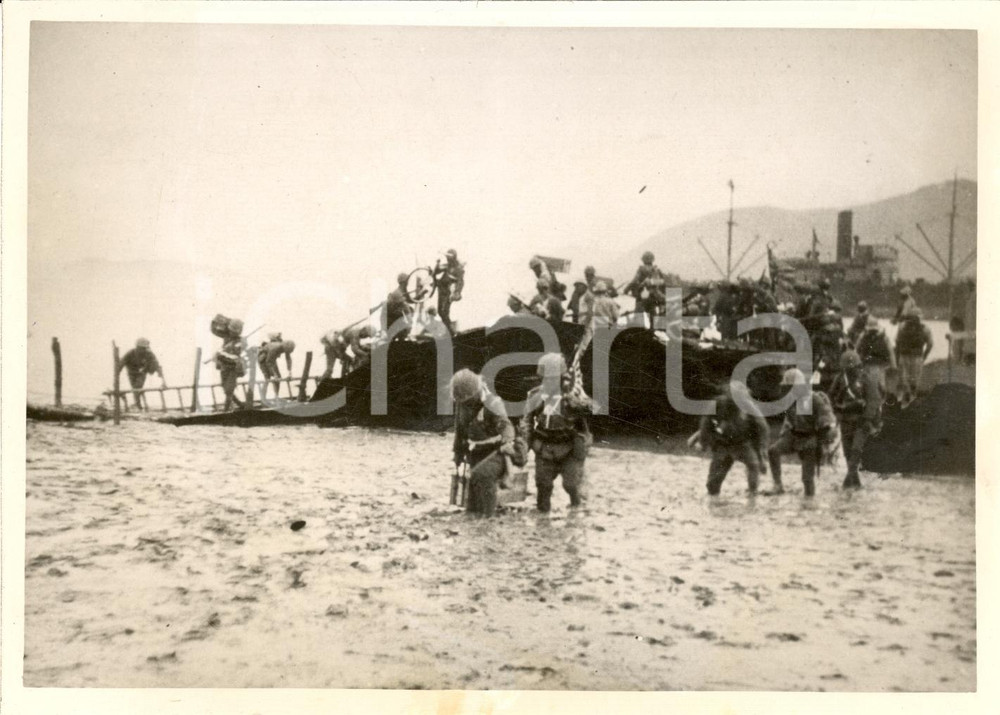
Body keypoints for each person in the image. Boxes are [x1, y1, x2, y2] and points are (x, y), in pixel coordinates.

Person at [519, 353, 594, 512]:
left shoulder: (572, 394)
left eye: (552, 378)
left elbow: (593, 409)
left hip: (569, 448)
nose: (548, 382)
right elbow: (527, 421)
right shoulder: (535, 396)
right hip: (544, 447)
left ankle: (576, 505)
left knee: (571, 484)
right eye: (545, 378)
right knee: (543, 484)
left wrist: (578, 403)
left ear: (561, 377)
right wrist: (524, 445)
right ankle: (543, 515)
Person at [451, 369, 524, 517]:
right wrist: (458, 452)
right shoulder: (462, 404)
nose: (465, 404)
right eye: (462, 402)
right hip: (476, 452)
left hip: (497, 453)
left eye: (468, 400)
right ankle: (475, 516)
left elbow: (506, 426)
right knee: (472, 503)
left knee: (482, 474)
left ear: (476, 393)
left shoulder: (492, 403)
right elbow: (460, 429)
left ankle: (489, 518)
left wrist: (507, 441)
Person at [767, 368, 837, 497]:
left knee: (807, 478)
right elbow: (788, 421)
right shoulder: (789, 400)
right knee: (773, 451)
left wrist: (823, 443)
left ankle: (809, 500)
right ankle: (778, 485)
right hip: (793, 435)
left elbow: (827, 421)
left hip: (810, 439)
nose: (786, 390)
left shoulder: (815, 399)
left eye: (789, 387)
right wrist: (784, 434)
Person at [699, 382, 769, 496]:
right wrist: (704, 442)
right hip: (723, 444)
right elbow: (705, 424)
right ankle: (713, 493)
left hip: (743, 444)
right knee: (713, 484)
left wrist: (762, 449)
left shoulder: (749, 406)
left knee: (753, 465)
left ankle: (753, 492)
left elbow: (763, 427)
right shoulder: (717, 404)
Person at [829, 350, 883, 489]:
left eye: (852, 367)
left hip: (861, 421)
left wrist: (867, 418)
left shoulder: (866, 379)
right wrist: (837, 410)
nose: (850, 370)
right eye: (847, 368)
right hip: (846, 420)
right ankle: (855, 483)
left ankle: (847, 482)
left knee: (856, 450)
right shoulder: (840, 378)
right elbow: (831, 397)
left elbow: (873, 400)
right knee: (848, 452)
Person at [894, 308, 933, 406]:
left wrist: (897, 356)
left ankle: (906, 397)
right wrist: (924, 355)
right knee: (915, 379)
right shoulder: (925, 328)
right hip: (917, 356)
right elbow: (930, 344)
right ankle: (913, 396)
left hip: (904, 355)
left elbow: (897, 341)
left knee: (905, 377)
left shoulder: (902, 326)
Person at [574, 281, 621, 361]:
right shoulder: (610, 302)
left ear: (596, 291)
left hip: (593, 325)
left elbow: (588, 314)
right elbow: (616, 317)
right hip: (606, 326)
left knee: (586, 347)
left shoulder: (593, 300)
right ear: (605, 291)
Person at [118, 338, 166, 409]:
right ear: (137, 347)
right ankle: (138, 404)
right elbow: (121, 363)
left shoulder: (149, 353)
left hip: (142, 372)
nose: (144, 350)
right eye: (142, 348)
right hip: (131, 372)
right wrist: (117, 373)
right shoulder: (130, 353)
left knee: (138, 386)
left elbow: (156, 363)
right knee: (135, 388)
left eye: (145, 348)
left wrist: (161, 376)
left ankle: (137, 404)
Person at [623, 251, 667, 328]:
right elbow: (663, 283)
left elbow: (634, 280)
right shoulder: (657, 270)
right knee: (652, 315)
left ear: (643, 259)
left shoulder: (641, 269)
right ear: (652, 259)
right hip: (654, 296)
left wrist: (626, 289)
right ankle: (654, 331)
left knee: (638, 316)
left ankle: (639, 331)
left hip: (642, 296)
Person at [856, 314, 896, 393]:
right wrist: (894, 366)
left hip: (866, 364)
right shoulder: (884, 337)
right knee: (881, 385)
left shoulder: (863, 336)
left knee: (864, 385)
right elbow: (891, 352)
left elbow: (856, 349)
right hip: (880, 365)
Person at [433, 249, 465, 333]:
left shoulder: (458, 268)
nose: (447, 259)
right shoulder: (447, 266)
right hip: (441, 289)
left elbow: (460, 281)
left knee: (444, 312)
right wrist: (437, 263)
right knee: (440, 311)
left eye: (448, 257)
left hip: (448, 291)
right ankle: (449, 329)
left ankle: (451, 331)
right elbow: (436, 271)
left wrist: (457, 291)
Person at [215, 334, 246, 410]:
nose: (225, 339)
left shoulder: (237, 344)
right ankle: (240, 404)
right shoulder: (223, 347)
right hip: (224, 370)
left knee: (229, 390)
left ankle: (226, 409)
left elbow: (236, 357)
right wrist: (220, 355)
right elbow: (219, 360)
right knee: (225, 389)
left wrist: (223, 356)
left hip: (232, 370)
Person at [384, 272, 414, 338]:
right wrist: (410, 325)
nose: (408, 283)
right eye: (407, 280)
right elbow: (407, 310)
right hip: (392, 324)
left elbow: (411, 300)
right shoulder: (398, 293)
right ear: (404, 282)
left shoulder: (401, 292)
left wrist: (421, 294)